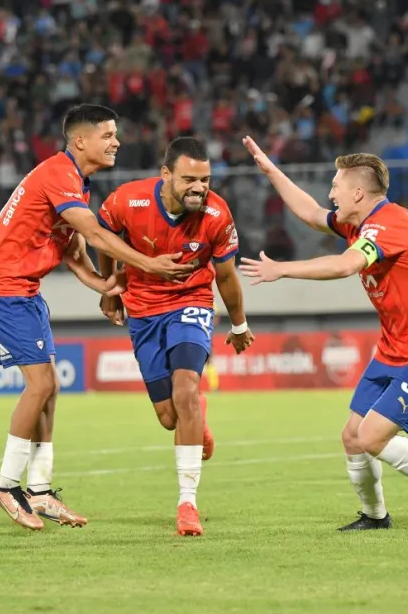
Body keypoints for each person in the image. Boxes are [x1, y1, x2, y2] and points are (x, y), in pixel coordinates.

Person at [0, 104, 194, 532]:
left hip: (25, 291)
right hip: (2, 291)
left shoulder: (75, 179)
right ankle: (5, 485)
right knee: (40, 385)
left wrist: (103, 286)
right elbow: (92, 234)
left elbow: (72, 248)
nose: (117, 142)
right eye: (108, 135)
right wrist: (150, 266)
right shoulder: (58, 174)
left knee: (50, 387)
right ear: (80, 140)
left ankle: (38, 489)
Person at [238, 137, 408, 532]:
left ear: (358, 192)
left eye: (336, 187)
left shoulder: (389, 225)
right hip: (394, 349)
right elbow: (311, 213)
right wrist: (272, 171)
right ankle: (375, 517)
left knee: (372, 437)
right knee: (351, 436)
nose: (330, 194)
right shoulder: (362, 221)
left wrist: (283, 269)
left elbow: (346, 266)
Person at [97, 137, 254, 536]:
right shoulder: (126, 201)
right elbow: (104, 236)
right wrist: (110, 285)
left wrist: (238, 325)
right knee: (170, 417)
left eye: (205, 179)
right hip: (144, 310)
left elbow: (226, 276)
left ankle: (187, 504)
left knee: (184, 392)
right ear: (165, 174)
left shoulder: (217, 214)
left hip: (192, 302)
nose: (199, 188)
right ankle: (195, 418)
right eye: (189, 179)